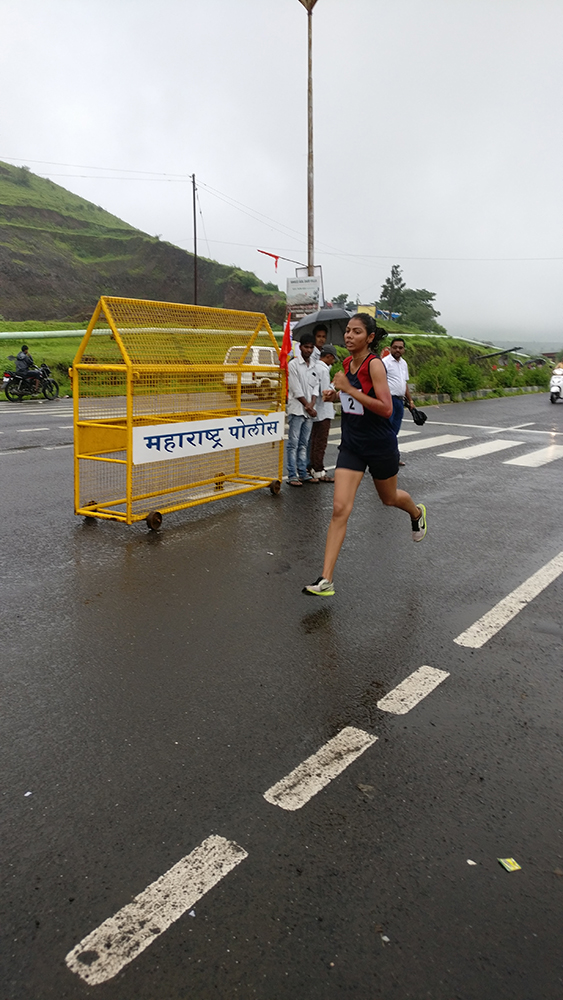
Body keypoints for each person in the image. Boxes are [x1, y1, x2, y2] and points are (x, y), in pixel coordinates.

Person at [303, 314, 427, 596]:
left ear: (369, 338)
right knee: (339, 509)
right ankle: (326, 579)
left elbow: (385, 408)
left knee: (389, 498)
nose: (348, 336)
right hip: (352, 444)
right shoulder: (346, 364)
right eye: (347, 331)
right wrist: (336, 395)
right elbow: (350, 397)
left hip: (379, 444)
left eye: (356, 332)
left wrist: (348, 389)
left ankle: (417, 512)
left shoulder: (375, 366)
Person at [286, 332, 320, 487]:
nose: (309, 350)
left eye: (311, 347)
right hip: (297, 410)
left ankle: (303, 473)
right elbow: (296, 389)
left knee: (304, 443)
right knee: (293, 444)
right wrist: (307, 406)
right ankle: (292, 475)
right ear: (300, 348)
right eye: (306, 347)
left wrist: (312, 405)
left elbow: (315, 387)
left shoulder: (314, 365)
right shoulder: (293, 364)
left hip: (309, 411)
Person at [382, 337, 415, 465]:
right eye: (395, 347)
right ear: (390, 348)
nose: (397, 350)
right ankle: (384, 457)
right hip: (388, 400)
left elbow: (404, 383)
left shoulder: (404, 363)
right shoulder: (384, 363)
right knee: (386, 429)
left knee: (395, 430)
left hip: (400, 401)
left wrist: (410, 400)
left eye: (400, 348)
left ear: (404, 350)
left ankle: (393, 456)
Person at [309, 344, 337, 482]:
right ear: (329, 356)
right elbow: (326, 392)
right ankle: (319, 470)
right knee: (321, 442)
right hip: (324, 410)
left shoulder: (315, 366)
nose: (333, 361)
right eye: (333, 359)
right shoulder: (324, 370)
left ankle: (313, 467)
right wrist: (334, 384)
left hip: (316, 410)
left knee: (314, 440)